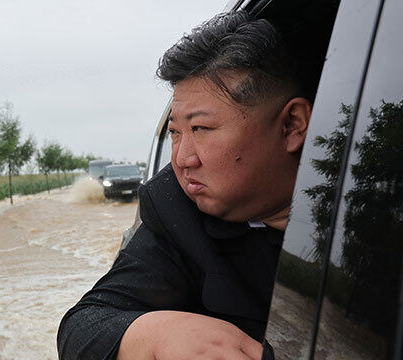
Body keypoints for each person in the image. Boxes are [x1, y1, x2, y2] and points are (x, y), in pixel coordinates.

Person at [58, 9, 317, 360]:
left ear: (291, 126)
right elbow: (83, 326)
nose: (182, 158)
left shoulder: (382, 202)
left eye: (200, 129)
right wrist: (153, 335)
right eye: (175, 133)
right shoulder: (176, 209)